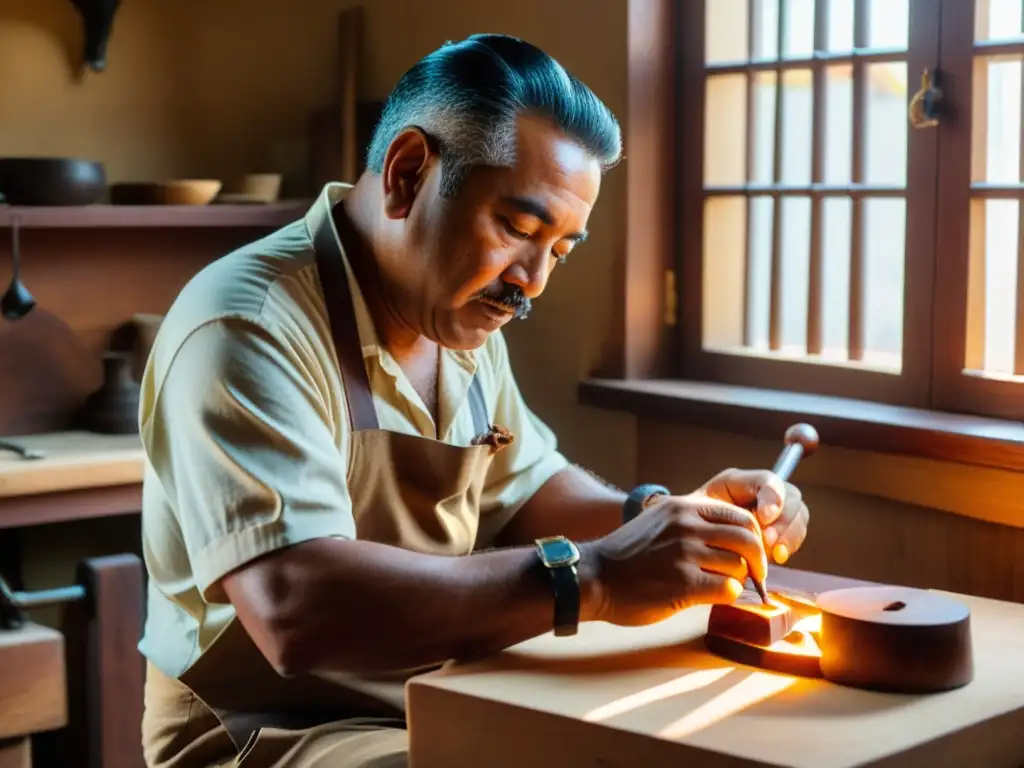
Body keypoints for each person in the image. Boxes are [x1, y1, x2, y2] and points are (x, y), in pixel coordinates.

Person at [137, 33, 810, 768]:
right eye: (519, 229)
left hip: (436, 690)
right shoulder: (248, 325)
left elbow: (528, 486)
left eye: (560, 248)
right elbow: (295, 610)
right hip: (272, 729)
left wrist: (663, 518)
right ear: (407, 173)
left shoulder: (457, 318)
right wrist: (600, 575)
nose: (534, 281)